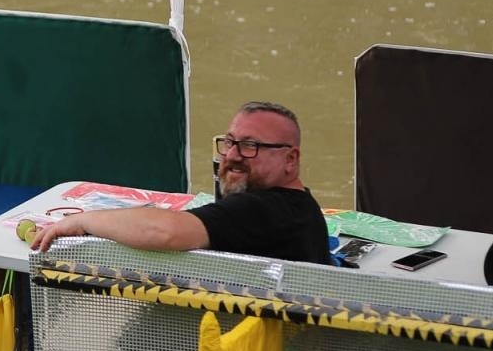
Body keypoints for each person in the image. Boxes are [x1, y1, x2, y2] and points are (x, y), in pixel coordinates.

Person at [31, 100, 332, 264]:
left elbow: (163, 232)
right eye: (229, 142)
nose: (233, 155)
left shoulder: (263, 210)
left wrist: (83, 222)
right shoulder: (299, 207)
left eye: (251, 146)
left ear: (290, 159)